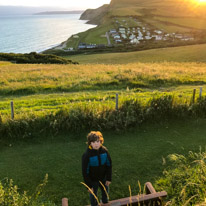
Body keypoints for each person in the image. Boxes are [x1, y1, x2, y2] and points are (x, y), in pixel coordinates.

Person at [82, 131, 112, 206]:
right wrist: (89, 185)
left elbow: (109, 165)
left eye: (98, 141)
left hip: (103, 178)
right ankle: (94, 204)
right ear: (90, 143)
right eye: (93, 142)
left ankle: (105, 202)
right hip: (93, 180)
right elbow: (85, 171)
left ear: (101, 141)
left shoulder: (104, 151)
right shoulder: (87, 155)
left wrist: (108, 178)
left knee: (105, 192)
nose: (96, 144)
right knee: (93, 195)